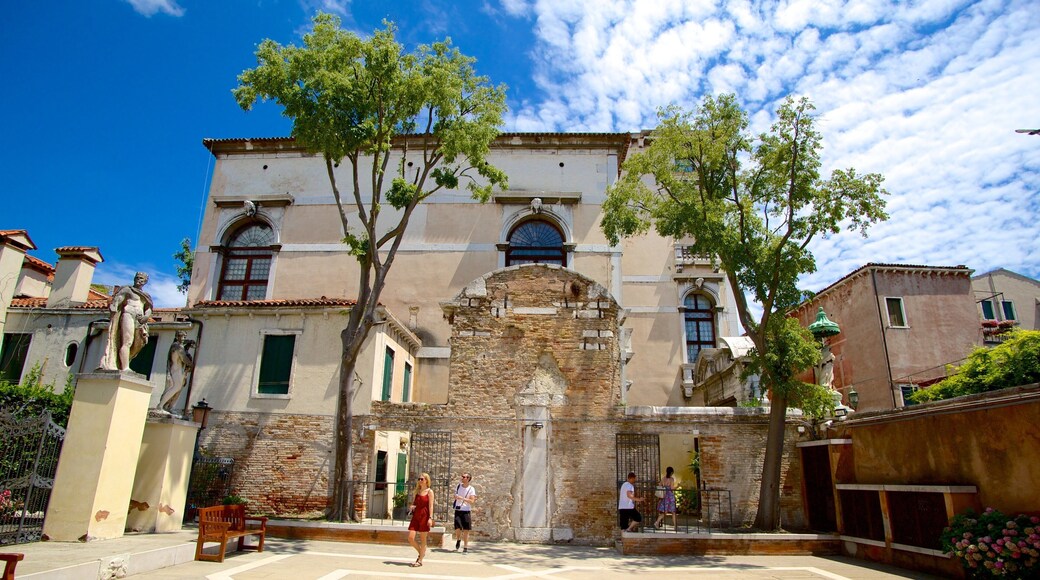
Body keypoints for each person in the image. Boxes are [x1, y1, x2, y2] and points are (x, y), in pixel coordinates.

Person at [100, 272, 153, 371]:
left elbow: (148, 307)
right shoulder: (127, 290)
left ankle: (125, 361)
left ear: (145, 281)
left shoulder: (145, 295)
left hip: (140, 320)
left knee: (139, 343)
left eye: (141, 278)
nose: (138, 279)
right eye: (137, 277)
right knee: (127, 341)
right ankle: (125, 367)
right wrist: (114, 305)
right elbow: (118, 300)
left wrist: (146, 316)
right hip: (128, 315)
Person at [158, 331, 195, 415]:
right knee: (176, 387)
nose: (183, 338)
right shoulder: (177, 346)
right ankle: (160, 405)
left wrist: (188, 345)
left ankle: (169, 406)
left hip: (179, 369)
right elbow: (184, 358)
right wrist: (191, 365)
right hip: (176, 369)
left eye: (185, 337)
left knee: (178, 389)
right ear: (177, 336)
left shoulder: (179, 346)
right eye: (182, 336)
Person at [407, 472, 435, 567]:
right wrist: (412, 506)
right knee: (411, 538)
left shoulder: (429, 491)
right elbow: (415, 503)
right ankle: (421, 553)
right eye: (419, 479)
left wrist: (430, 518)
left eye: (421, 479)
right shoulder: (417, 491)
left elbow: (431, 506)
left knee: (423, 539)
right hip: (416, 516)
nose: (419, 481)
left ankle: (420, 560)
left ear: (426, 480)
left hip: (424, 516)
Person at [452, 472, 477, 552]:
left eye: (464, 477)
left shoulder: (471, 489)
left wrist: (462, 498)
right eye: (462, 476)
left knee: (466, 529)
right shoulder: (458, 486)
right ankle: (458, 539)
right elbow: (455, 495)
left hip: (466, 510)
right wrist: (456, 497)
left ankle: (465, 547)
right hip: (458, 510)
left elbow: (472, 501)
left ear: (468, 479)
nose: (462, 478)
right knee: (457, 528)